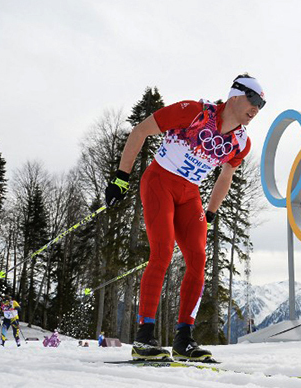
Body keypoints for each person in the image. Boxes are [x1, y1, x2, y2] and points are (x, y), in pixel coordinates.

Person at [104, 74, 265, 361]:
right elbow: (140, 131)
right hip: (159, 182)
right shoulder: (194, 112)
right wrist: (121, 178)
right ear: (235, 96)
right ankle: (144, 337)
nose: (257, 108)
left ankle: (183, 339)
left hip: (189, 195)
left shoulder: (242, 142)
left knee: (198, 259)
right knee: (163, 252)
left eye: (262, 104)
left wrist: (212, 210)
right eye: (253, 100)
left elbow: (226, 175)